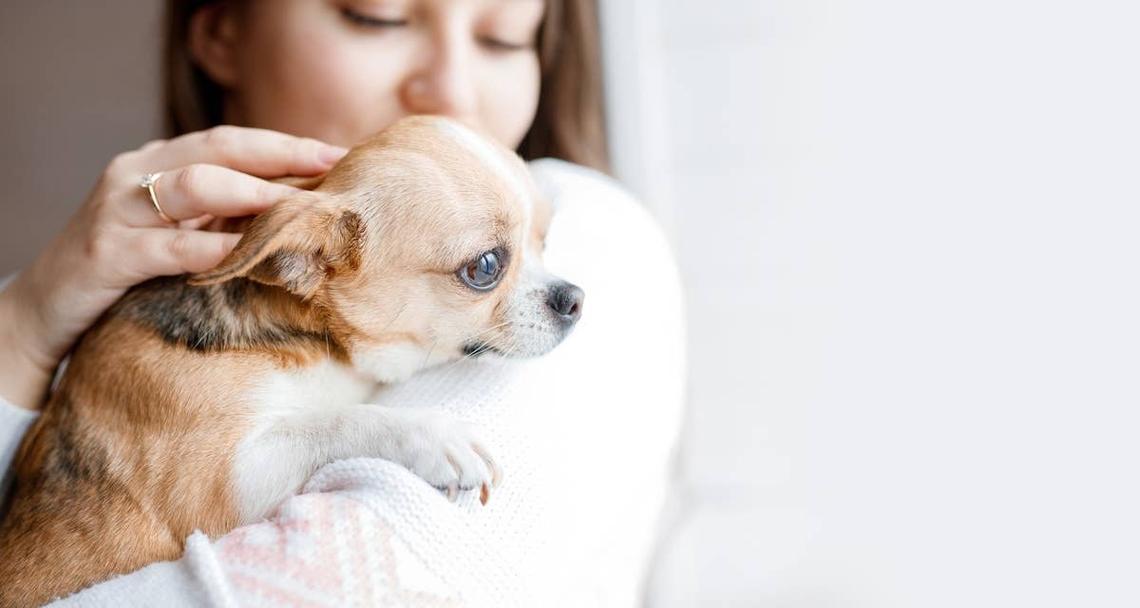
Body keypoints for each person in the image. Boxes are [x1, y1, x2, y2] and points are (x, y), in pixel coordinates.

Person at [0, 1, 684, 605]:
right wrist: (24, 329)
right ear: (221, 33)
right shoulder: (124, 334)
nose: (448, 91)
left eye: (503, 37)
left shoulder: (598, 229)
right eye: (376, 17)